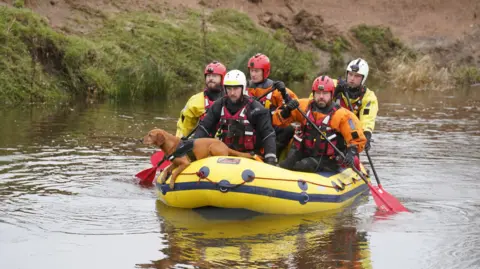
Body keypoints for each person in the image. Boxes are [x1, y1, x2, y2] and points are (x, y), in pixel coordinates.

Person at [272, 75, 366, 172]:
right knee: (285, 165)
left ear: (331, 94)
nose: (321, 97)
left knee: (303, 165)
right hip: (304, 151)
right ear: (313, 93)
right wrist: (286, 111)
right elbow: (277, 121)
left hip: (328, 159)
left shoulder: (342, 115)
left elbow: (357, 140)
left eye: (325, 93)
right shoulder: (303, 106)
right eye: (318, 93)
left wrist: (351, 152)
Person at [194, 70, 277, 165]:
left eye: (236, 88)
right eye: (229, 89)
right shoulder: (218, 105)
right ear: (225, 89)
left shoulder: (256, 108)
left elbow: (268, 134)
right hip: (224, 156)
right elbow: (204, 128)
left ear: (243, 88)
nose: (232, 93)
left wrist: (270, 158)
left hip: (250, 157)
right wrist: (193, 147)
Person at [247, 53, 299, 156]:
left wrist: (284, 93)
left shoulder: (276, 90)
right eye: (251, 70)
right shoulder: (245, 88)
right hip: (250, 125)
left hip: (270, 125)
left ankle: (272, 156)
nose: (253, 74)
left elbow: (295, 105)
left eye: (256, 71)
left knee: (288, 129)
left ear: (265, 71)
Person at [334, 58, 378, 151]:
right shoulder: (333, 84)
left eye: (357, 76)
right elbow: (313, 102)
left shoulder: (368, 97)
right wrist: (334, 92)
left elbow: (367, 119)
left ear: (363, 78)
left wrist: (367, 136)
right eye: (350, 74)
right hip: (328, 130)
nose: (352, 79)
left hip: (349, 135)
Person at [175, 61, 227, 138]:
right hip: (203, 143)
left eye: (215, 76)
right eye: (208, 76)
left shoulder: (231, 98)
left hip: (225, 142)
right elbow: (184, 127)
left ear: (222, 78)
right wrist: (178, 143)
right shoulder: (195, 100)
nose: (211, 78)